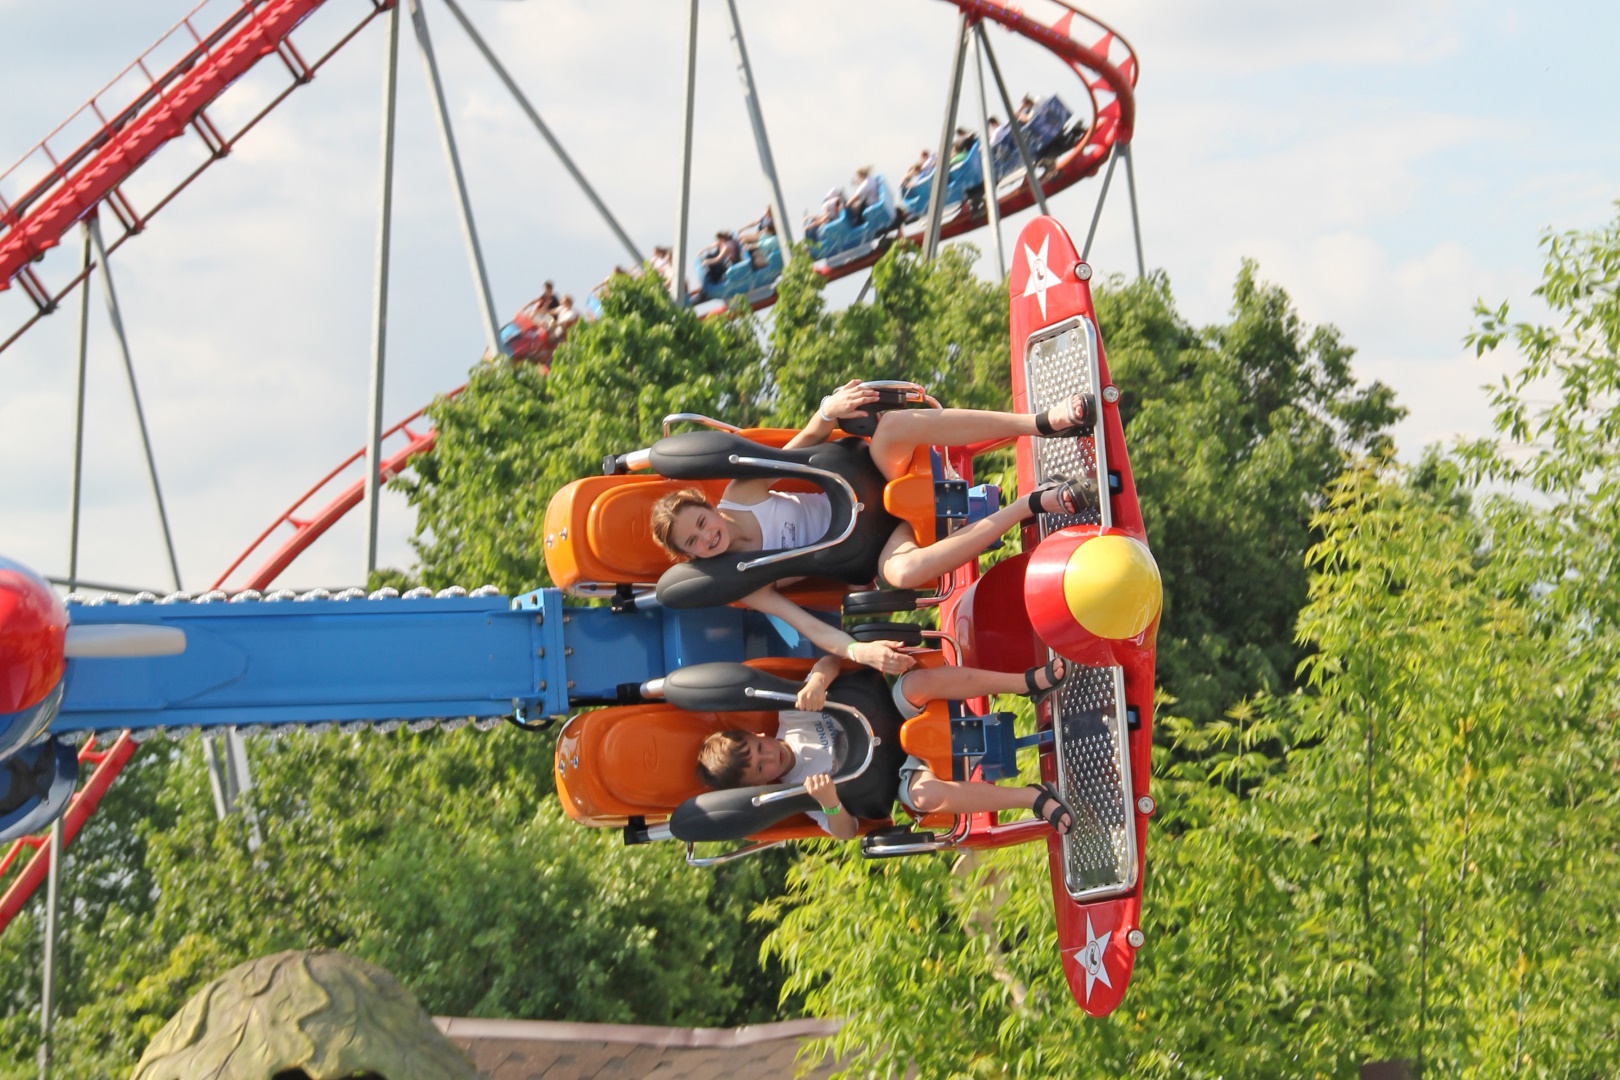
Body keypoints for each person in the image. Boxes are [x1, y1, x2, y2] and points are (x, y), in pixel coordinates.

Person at [648, 378, 1096, 676]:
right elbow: (807, 625)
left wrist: (827, 410)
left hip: (873, 478)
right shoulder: (741, 581)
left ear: (706, 506)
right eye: (695, 543)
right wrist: (856, 651)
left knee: (895, 425)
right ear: (692, 557)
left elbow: (800, 446)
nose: (707, 537)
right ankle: (1029, 504)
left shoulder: (740, 493)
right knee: (901, 574)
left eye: (701, 523)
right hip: (876, 542)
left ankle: (1042, 423)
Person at [694, 654, 1076, 840]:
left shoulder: (792, 714)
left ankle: (1024, 682)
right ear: (761, 783)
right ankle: (1030, 798)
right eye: (760, 769)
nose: (768, 758)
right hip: (896, 769)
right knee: (924, 797)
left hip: (893, 713)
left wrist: (816, 682)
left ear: (758, 736)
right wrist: (830, 802)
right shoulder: (799, 793)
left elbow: (829, 661)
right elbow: (845, 831)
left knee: (914, 685)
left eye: (759, 750)